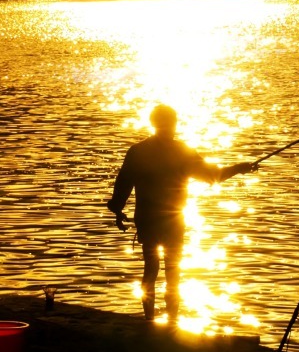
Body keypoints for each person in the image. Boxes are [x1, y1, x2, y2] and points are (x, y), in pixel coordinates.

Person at [106, 103, 257, 322]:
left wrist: (117, 210)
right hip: (173, 221)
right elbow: (214, 176)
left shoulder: (137, 151)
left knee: (151, 268)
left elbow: (122, 187)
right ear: (170, 124)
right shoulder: (182, 152)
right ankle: (172, 321)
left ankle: (150, 320)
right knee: (172, 272)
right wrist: (240, 168)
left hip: (148, 220)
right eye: (172, 122)